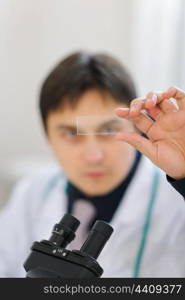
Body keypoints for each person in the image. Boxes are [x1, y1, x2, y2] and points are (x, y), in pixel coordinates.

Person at [0, 52, 185, 278]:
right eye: (71, 133)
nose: (93, 156)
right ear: (47, 137)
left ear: (136, 126)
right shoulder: (32, 193)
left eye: (107, 130)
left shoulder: (176, 202)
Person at [115, 86, 185, 197]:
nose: (94, 157)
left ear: (137, 128)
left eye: (108, 129)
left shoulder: (171, 200)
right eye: (76, 132)